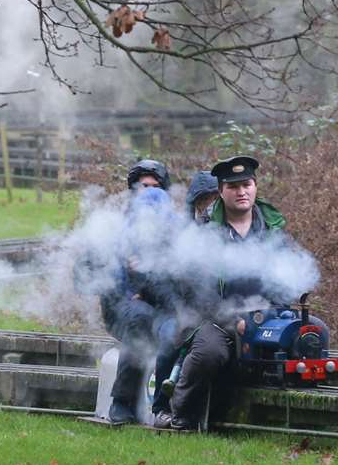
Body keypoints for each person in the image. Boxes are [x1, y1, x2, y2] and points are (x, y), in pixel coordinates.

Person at [155, 154, 300, 430]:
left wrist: (277, 310)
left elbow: (287, 276)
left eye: (246, 184)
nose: (241, 191)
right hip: (215, 320)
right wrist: (232, 319)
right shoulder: (205, 232)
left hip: (264, 317)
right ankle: (180, 414)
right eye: (233, 186)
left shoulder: (274, 230)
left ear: (255, 186)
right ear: (221, 191)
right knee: (209, 352)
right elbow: (195, 289)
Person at [96, 160, 180, 424]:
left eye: (156, 187)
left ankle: (167, 407)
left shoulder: (175, 227)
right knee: (138, 319)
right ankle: (121, 402)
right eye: (144, 186)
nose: (150, 192)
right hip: (121, 305)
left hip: (163, 304)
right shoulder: (115, 225)